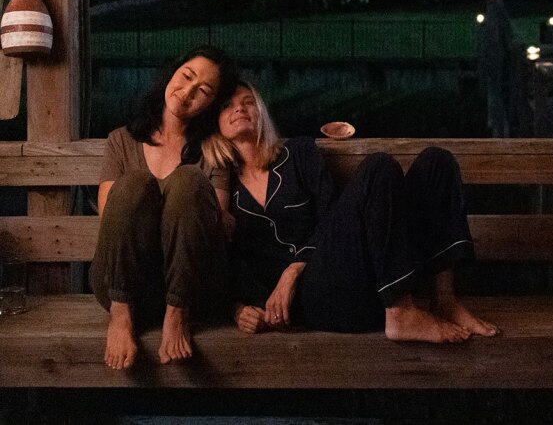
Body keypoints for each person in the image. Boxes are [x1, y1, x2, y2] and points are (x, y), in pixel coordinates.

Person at [206, 81, 499, 343]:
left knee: (436, 162)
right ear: (215, 123)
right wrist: (238, 309)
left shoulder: (299, 153)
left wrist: (292, 270)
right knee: (378, 167)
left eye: (248, 102)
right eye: (228, 105)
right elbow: (221, 262)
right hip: (315, 304)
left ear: (261, 114)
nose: (239, 109)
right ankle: (401, 310)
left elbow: (329, 214)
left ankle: (444, 300)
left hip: (361, 277)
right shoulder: (222, 191)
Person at [91, 46, 241, 370]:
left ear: (211, 104)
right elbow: (110, 218)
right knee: (134, 184)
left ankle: (177, 313)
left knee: (188, 180)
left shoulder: (213, 151)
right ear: (172, 72)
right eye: (186, 76)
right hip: (124, 284)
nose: (187, 93)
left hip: (192, 287)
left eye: (203, 91)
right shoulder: (121, 140)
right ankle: (120, 316)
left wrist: (188, 205)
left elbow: (214, 227)